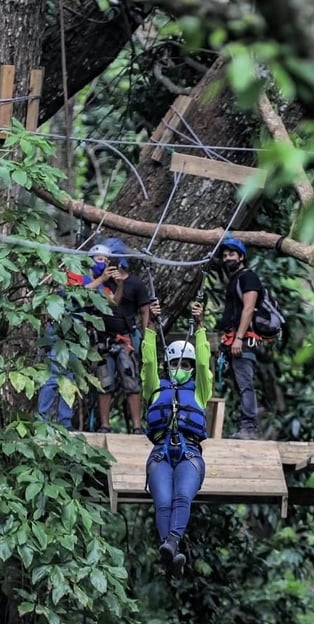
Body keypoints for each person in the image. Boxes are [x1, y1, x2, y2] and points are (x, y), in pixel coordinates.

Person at [141, 299, 212, 574]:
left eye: (185, 363)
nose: (180, 367)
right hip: (160, 453)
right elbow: (147, 362)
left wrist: (201, 325)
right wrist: (150, 325)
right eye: (175, 363)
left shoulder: (199, 391)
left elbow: (205, 364)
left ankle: (170, 543)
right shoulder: (156, 388)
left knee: (182, 497)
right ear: (168, 364)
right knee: (163, 501)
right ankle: (170, 553)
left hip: (189, 453)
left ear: (191, 367)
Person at [37, 243, 120, 428]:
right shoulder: (75, 273)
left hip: (77, 332)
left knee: (71, 376)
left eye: (107, 261)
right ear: (90, 259)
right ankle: (42, 420)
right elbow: (76, 294)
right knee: (53, 374)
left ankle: (64, 422)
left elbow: (112, 303)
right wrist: (101, 280)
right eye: (100, 259)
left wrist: (117, 282)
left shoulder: (101, 284)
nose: (104, 263)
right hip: (60, 328)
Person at [91, 237, 152, 434]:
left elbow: (145, 311)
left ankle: (136, 426)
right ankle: (105, 425)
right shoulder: (100, 282)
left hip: (125, 339)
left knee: (131, 382)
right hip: (102, 339)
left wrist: (146, 337)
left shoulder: (135, 284)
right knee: (104, 382)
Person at [216, 237, 263, 440]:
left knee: (245, 383)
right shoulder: (235, 280)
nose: (227, 259)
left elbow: (249, 308)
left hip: (243, 340)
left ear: (242, 257)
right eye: (225, 256)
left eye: (232, 255)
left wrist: (239, 337)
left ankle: (249, 428)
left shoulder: (248, 278)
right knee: (239, 384)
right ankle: (245, 426)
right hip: (233, 340)